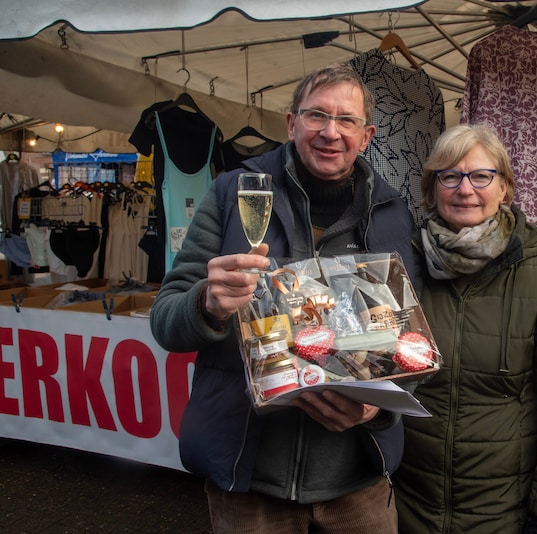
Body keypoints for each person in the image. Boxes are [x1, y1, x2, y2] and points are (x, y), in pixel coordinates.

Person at [149, 63, 415, 533]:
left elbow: (412, 340)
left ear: (366, 136)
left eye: (347, 120)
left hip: (358, 482)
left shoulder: (392, 213)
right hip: (251, 480)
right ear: (292, 123)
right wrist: (207, 304)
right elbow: (166, 320)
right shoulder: (233, 192)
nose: (330, 132)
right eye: (317, 115)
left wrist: (377, 409)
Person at [393, 123, 537, 534]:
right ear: (432, 189)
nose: (465, 189)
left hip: (502, 512)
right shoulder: (401, 266)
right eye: (450, 176)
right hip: (406, 505)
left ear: (504, 188)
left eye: (481, 176)